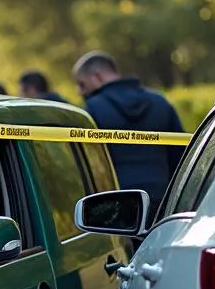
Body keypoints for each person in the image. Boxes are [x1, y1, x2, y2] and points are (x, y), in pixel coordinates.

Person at [72, 50, 185, 211]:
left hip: (117, 203)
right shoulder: (160, 103)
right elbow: (180, 157)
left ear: (97, 77)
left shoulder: (92, 110)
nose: (79, 91)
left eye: (81, 84)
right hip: (164, 200)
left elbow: (89, 166)